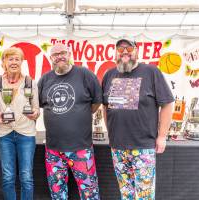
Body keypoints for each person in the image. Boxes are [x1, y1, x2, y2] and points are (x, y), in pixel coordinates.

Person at [102, 38, 174, 200]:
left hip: (143, 147)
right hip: (118, 148)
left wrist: (162, 136)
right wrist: (111, 132)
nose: (125, 52)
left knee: (144, 195)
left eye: (129, 48)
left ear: (137, 51)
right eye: (120, 49)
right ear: (115, 53)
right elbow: (106, 106)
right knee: (126, 193)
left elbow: (167, 104)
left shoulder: (151, 72)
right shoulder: (109, 75)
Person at [38, 43, 102, 199]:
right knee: (57, 194)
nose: (59, 56)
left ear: (70, 54)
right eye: (55, 54)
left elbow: (96, 102)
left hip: (81, 148)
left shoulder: (85, 75)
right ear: (51, 58)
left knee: (90, 193)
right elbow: (39, 105)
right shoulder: (44, 80)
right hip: (53, 150)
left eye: (63, 53)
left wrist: (82, 113)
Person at [0, 47, 40, 200]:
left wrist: (35, 113)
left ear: (21, 62)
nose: (14, 62)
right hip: (5, 134)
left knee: (26, 177)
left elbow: (36, 108)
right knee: (8, 176)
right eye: (10, 59)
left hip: (26, 133)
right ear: (4, 62)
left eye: (17, 59)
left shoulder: (29, 82)